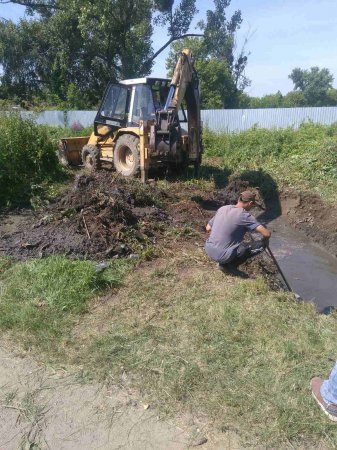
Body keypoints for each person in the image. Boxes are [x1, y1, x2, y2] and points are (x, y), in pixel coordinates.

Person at [205, 190, 271, 274]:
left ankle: (225, 260)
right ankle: (229, 266)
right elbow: (267, 233)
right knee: (260, 245)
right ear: (250, 203)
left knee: (238, 244)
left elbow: (208, 228)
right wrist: (265, 240)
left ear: (239, 199)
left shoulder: (223, 208)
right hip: (222, 256)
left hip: (209, 249)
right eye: (253, 205)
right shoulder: (245, 216)